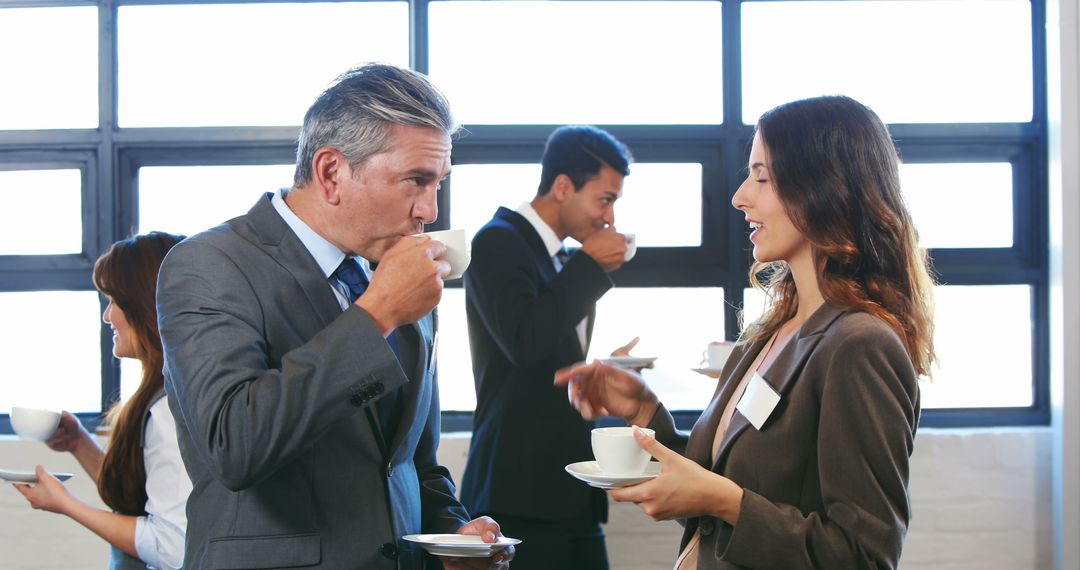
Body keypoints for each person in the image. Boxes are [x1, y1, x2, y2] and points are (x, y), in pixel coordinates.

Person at [554, 95, 935, 569]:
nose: (740, 196)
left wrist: (725, 501)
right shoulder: (767, 333)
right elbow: (719, 489)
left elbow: (863, 556)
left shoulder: (861, 345)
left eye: (762, 177)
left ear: (825, 186)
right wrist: (646, 410)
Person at [155, 64, 510, 570]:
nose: (430, 210)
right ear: (331, 173)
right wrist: (378, 314)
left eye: (438, 183)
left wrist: (453, 532)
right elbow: (235, 447)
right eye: (415, 180)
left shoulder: (396, 274)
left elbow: (412, 462)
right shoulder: (209, 265)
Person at [459, 125, 635, 569]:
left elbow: (550, 354)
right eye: (605, 199)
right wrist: (590, 264)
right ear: (562, 186)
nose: (609, 218)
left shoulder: (560, 255)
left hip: (571, 491)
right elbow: (526, 342)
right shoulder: (498, 241)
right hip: (520, 491)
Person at [16, 231, 191, 570]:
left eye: (114, 301)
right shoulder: (162, 394)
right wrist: (78, 443)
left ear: (145, 306)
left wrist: (67, 506)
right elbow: (139, 501)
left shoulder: (169, 411)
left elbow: (172, 546)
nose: (107, 316)